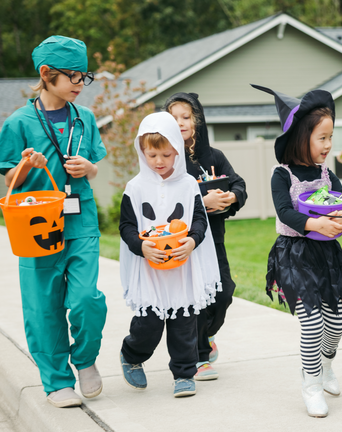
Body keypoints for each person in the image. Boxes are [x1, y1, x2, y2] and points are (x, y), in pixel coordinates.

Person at [0, 35, 107, 408]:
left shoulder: (85, 119)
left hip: (81, 222)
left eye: (83, 76)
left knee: (87, 299)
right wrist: (27, 165)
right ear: (46, 74)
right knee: (44, 308)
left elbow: (93, 165)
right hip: (36, 227)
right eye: (72, 76)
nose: (79, 83)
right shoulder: (19, 122)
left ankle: (85, 359)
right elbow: (9, 180)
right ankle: (57, 382)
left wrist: (89, 168)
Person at [252, 84, 342, 418]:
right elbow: (285, 213)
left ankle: (326, 366)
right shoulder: (281, 175)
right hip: (294, 254)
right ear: (301, 137)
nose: (328, 145)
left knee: (336, 321)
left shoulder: (327, 174)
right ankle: (310, 383)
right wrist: (316, 225)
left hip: (326, 256)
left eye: (330, 138)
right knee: (311, 323)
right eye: (322, 138)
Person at [118, 111, 221, 398]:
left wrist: (192, 240)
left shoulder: (188, 185)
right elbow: (126, 226)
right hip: (149, 268)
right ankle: (132, 354)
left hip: (181, 268)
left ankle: (184, 373)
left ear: (177, 150)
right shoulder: (135, 188)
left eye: (165, 154)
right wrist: (141, 246)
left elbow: (199, 219)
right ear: (142, 152)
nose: (159, 162)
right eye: (152, 155)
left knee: (184, 323)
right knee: (148, 324)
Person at [163, 92, 248, 381]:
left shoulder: (214, 157)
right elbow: (167, 199)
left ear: (197, 121)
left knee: (223, 293)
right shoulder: (167, 160)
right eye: (174, 118)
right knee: (196, 298)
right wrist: (203, 201)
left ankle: (207, 336)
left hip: (215, 238)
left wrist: (231, 196)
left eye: (186, 116)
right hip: (185, 242)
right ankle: (199, 357)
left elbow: (238, 182)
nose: (181, 122)